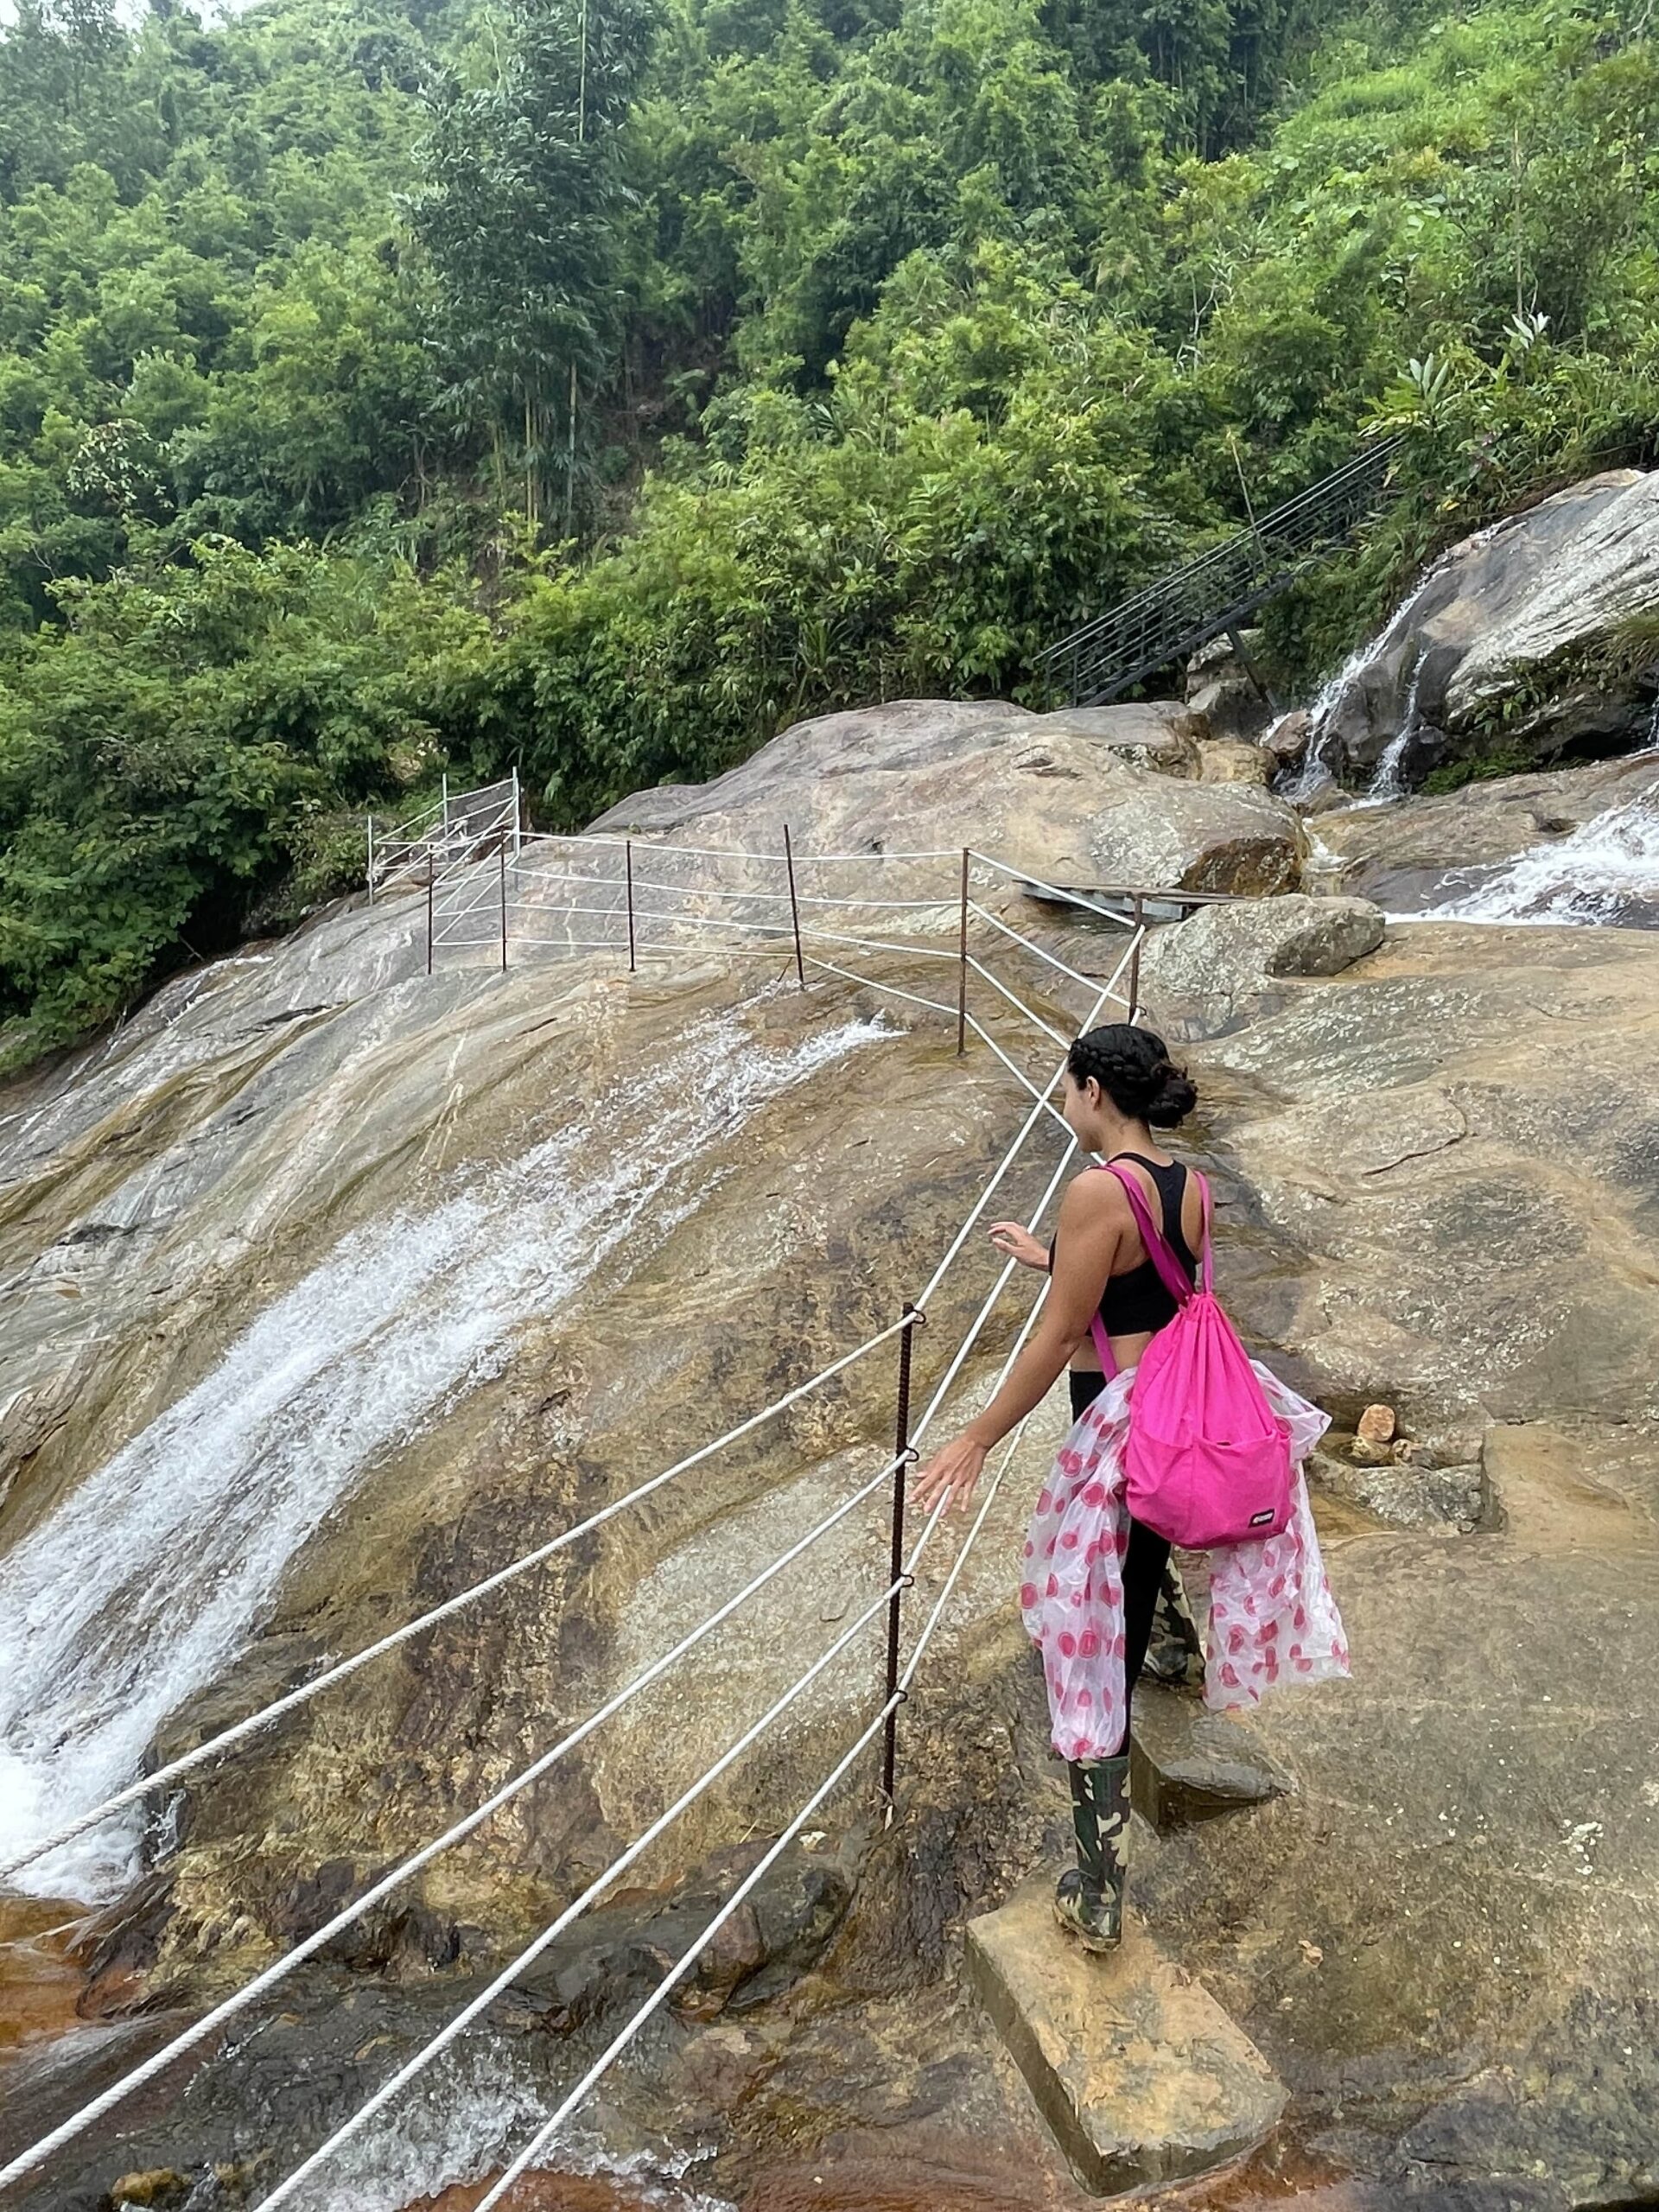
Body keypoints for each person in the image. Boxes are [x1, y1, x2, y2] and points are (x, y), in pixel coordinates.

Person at [912, 1022, 1215, 1951]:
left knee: (1096, 1653)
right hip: (1171, 1413)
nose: (1062, 1102)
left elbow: (1057, 1338)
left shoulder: (1094, 1190)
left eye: (1067, 1087)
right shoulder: (1188, 1182)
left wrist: (975, 1435)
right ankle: (1176, 1643)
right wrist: (1055, 1256)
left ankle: (1098, 1889)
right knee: (1139, 1549)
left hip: (1116, 1419)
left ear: (1093, 1090)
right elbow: (1157, 1284)